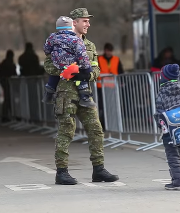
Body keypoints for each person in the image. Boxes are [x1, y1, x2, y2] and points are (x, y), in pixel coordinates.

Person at [44, 8, 119, 185]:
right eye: (84, 21)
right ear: (74, 22)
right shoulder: (58, 41)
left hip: (85, 93)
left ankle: (98, 169)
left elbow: (96, 69)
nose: (88, 24)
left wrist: (87, 75)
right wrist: (68, 70)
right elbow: (48, 66)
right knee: (66, 132)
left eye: (88, 21)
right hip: (66, 93)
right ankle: (62, 172)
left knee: (96, 130)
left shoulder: (90, 45)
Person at [42, 16, 96, 108]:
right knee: (81, 79)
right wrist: (87, 68)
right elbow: (82, 55)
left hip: (58, 65)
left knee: (53, 78)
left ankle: (48, 93)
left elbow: (46, 49)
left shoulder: (52, 37)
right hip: (73, 66)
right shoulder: (76, 40)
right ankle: (85, 98)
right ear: (72, 27)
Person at [97, 42, 124, 129]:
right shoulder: (99, 59)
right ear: (105, 50)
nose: (109, 53)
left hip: (112, 87)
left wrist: (121, 82)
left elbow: (120, 71)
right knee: (102, 107)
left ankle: (111, 124)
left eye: (110, 51)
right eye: (108, 51)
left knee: (111, 106)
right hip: (101, 86)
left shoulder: (116, 59)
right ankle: (103, 125)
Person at [0, 49, 17, 123]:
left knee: (7, 99)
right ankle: (10, 115)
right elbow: (14, 74)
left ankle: (6, 115)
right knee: (9, 99)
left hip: (4, 82)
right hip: (9, 83)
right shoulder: (11, 65)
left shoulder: (2, 64)